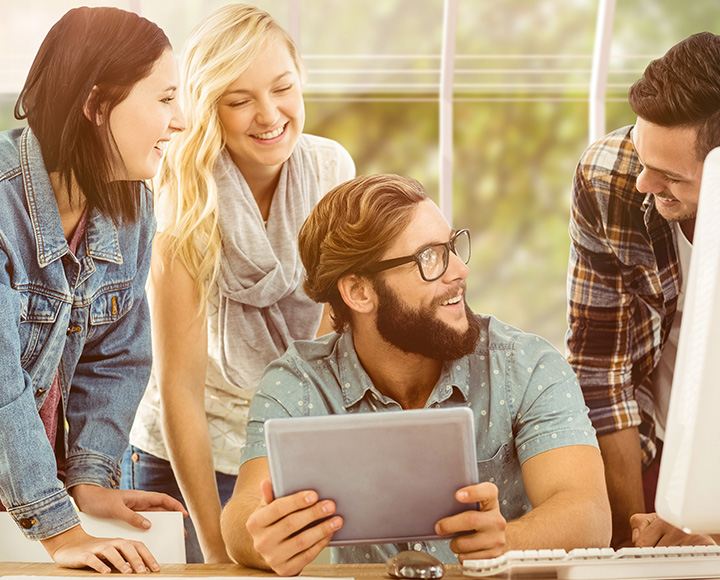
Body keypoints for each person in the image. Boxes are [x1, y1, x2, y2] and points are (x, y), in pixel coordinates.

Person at [219, 174, 611, 575]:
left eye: (452, 247)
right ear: (358, 292)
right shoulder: (298, 383)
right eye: (429, 258)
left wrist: (507, 542)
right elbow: (242, 516)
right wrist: (262, 540)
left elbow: (589, 512)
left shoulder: (527, 365)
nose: (459, 270)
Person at [122, 3, 355, 564]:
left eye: (283, 88)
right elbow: (180, 386)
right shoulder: (180, 198)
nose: (270, 114)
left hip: (286, 443)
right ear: (208, 109)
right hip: (183, 461)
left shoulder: (331, 172)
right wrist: (215, 544)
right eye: (239, 100)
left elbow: (325, 348)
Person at [0, 6, 187, 573]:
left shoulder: (131, 205)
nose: (181, 121)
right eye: (164, 98)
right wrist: (62, 532)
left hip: (31, 498)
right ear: (97, 104)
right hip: (30, 505)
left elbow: (117, 356)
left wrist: (89, 478)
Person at [565, 32, 720, 548]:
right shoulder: (610, 177)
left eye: (671, 176)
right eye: (643, 154)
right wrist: (633, 539)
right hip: (656, 447)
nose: (644, 184)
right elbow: (601, 369)